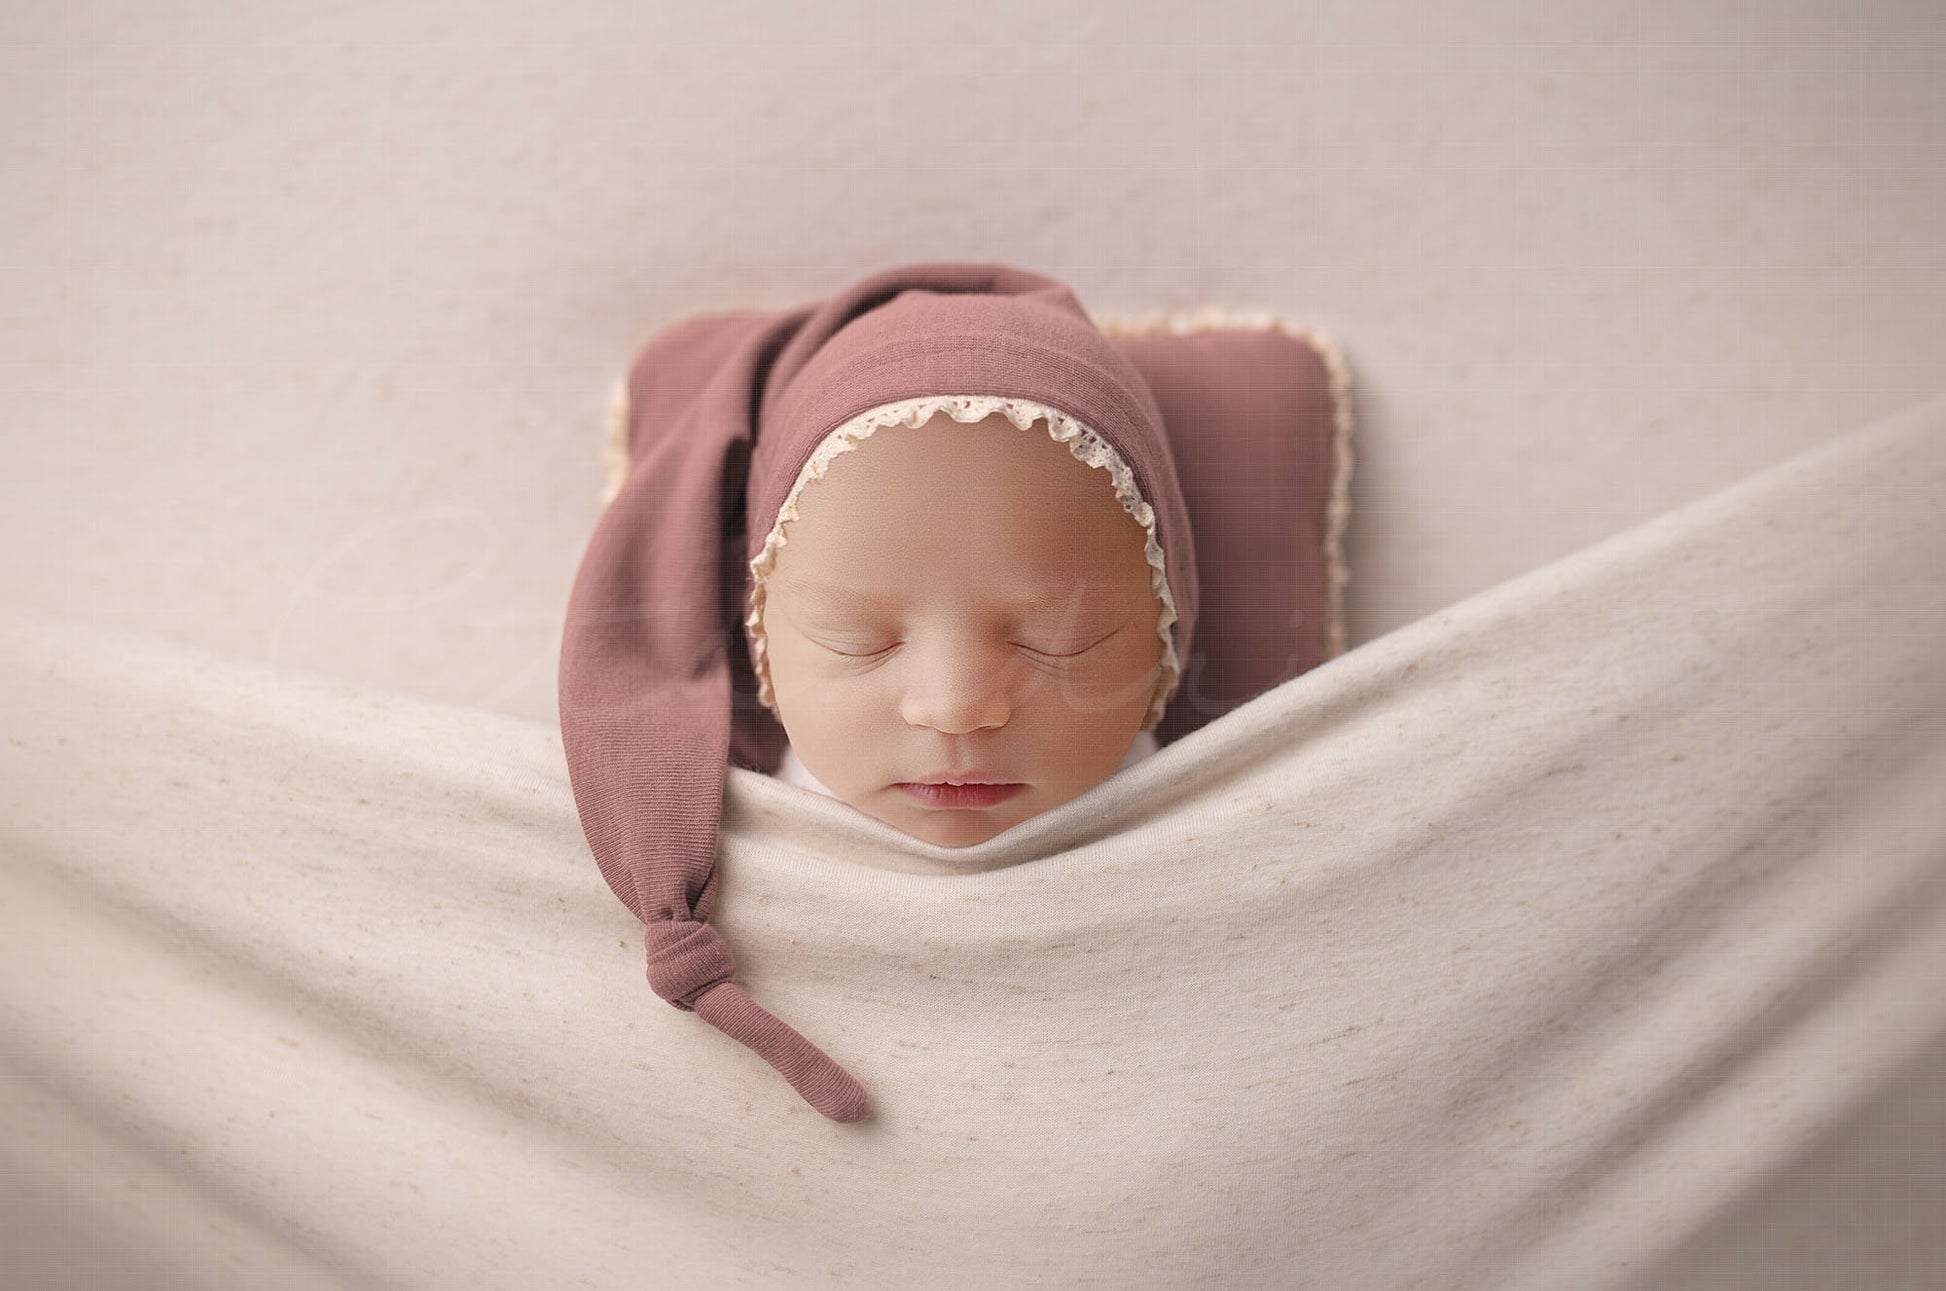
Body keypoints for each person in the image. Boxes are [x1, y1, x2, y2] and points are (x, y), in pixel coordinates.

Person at [753, 404, 1170, 848]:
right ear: (763, 646)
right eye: (857, 639)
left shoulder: (1218, 827)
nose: (956, 710)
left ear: (1162, 644)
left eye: (1058, 639)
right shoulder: (717, 856)